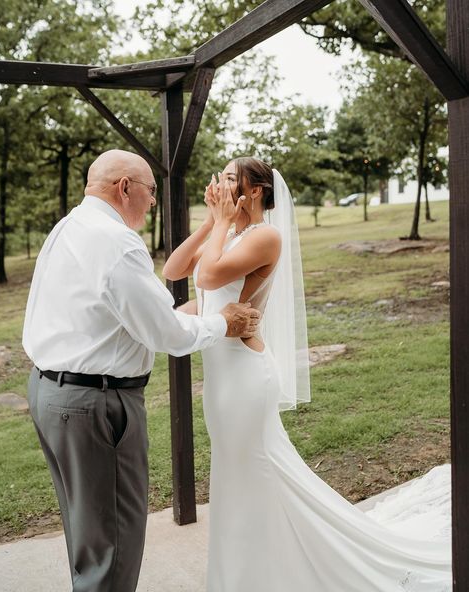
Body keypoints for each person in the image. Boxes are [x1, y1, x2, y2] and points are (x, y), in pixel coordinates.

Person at [163, 156, 452, 592]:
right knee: (234, 477)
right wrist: (210, 221)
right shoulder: (229, 233)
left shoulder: (264, 237)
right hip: (220, 382)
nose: (218, 184)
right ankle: (245, 573)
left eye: (228, 178)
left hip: (244, 378)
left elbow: (206, 277)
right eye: (218, 177)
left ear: (254, 190)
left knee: (254, 473)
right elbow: (173, 270)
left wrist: (220, 222)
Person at [22, 149, 261, 592]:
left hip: (49, 391)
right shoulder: (116, 242)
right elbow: (166, 334)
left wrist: (194, 313)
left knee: (90, 535)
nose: (153, 202)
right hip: (96, 405)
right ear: (125, 187)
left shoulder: (69, 227)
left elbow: (126, 314)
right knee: (113, 544)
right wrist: (220, 323)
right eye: (151, 191)